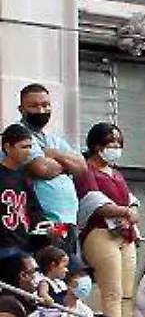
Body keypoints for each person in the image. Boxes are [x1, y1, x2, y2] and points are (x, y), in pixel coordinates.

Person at [72, 122, 142, 317]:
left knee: (128, 293)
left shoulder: (116, 173)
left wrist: (132, 213)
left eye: (118, 143)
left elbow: (130, 199)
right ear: (96, 145)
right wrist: (126, 212)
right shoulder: (87, 170)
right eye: (110, 143)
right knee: (112, 291)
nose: (115, 147)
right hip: (101, 234)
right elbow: (94, 203)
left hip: (125, 235)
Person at [15, 85, 82, 258]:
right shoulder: (19, 137)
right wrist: (66, 165)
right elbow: (41, 168)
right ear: (21, 109)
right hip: (44, 223)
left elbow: (82, 167)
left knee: (69, 278)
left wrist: (55, 155)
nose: (41, 110)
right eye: (34, 106)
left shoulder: (55, 140)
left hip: (68, 221)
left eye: (45, 105)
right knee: (54, 276)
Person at [0, 124, 55, 260]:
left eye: (30, 147)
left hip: (24, 245)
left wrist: (45, 225)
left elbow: (34, 208)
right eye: (24, 147)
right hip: (4, 246)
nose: (28, 151)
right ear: (8, 147)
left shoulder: (24, 177)